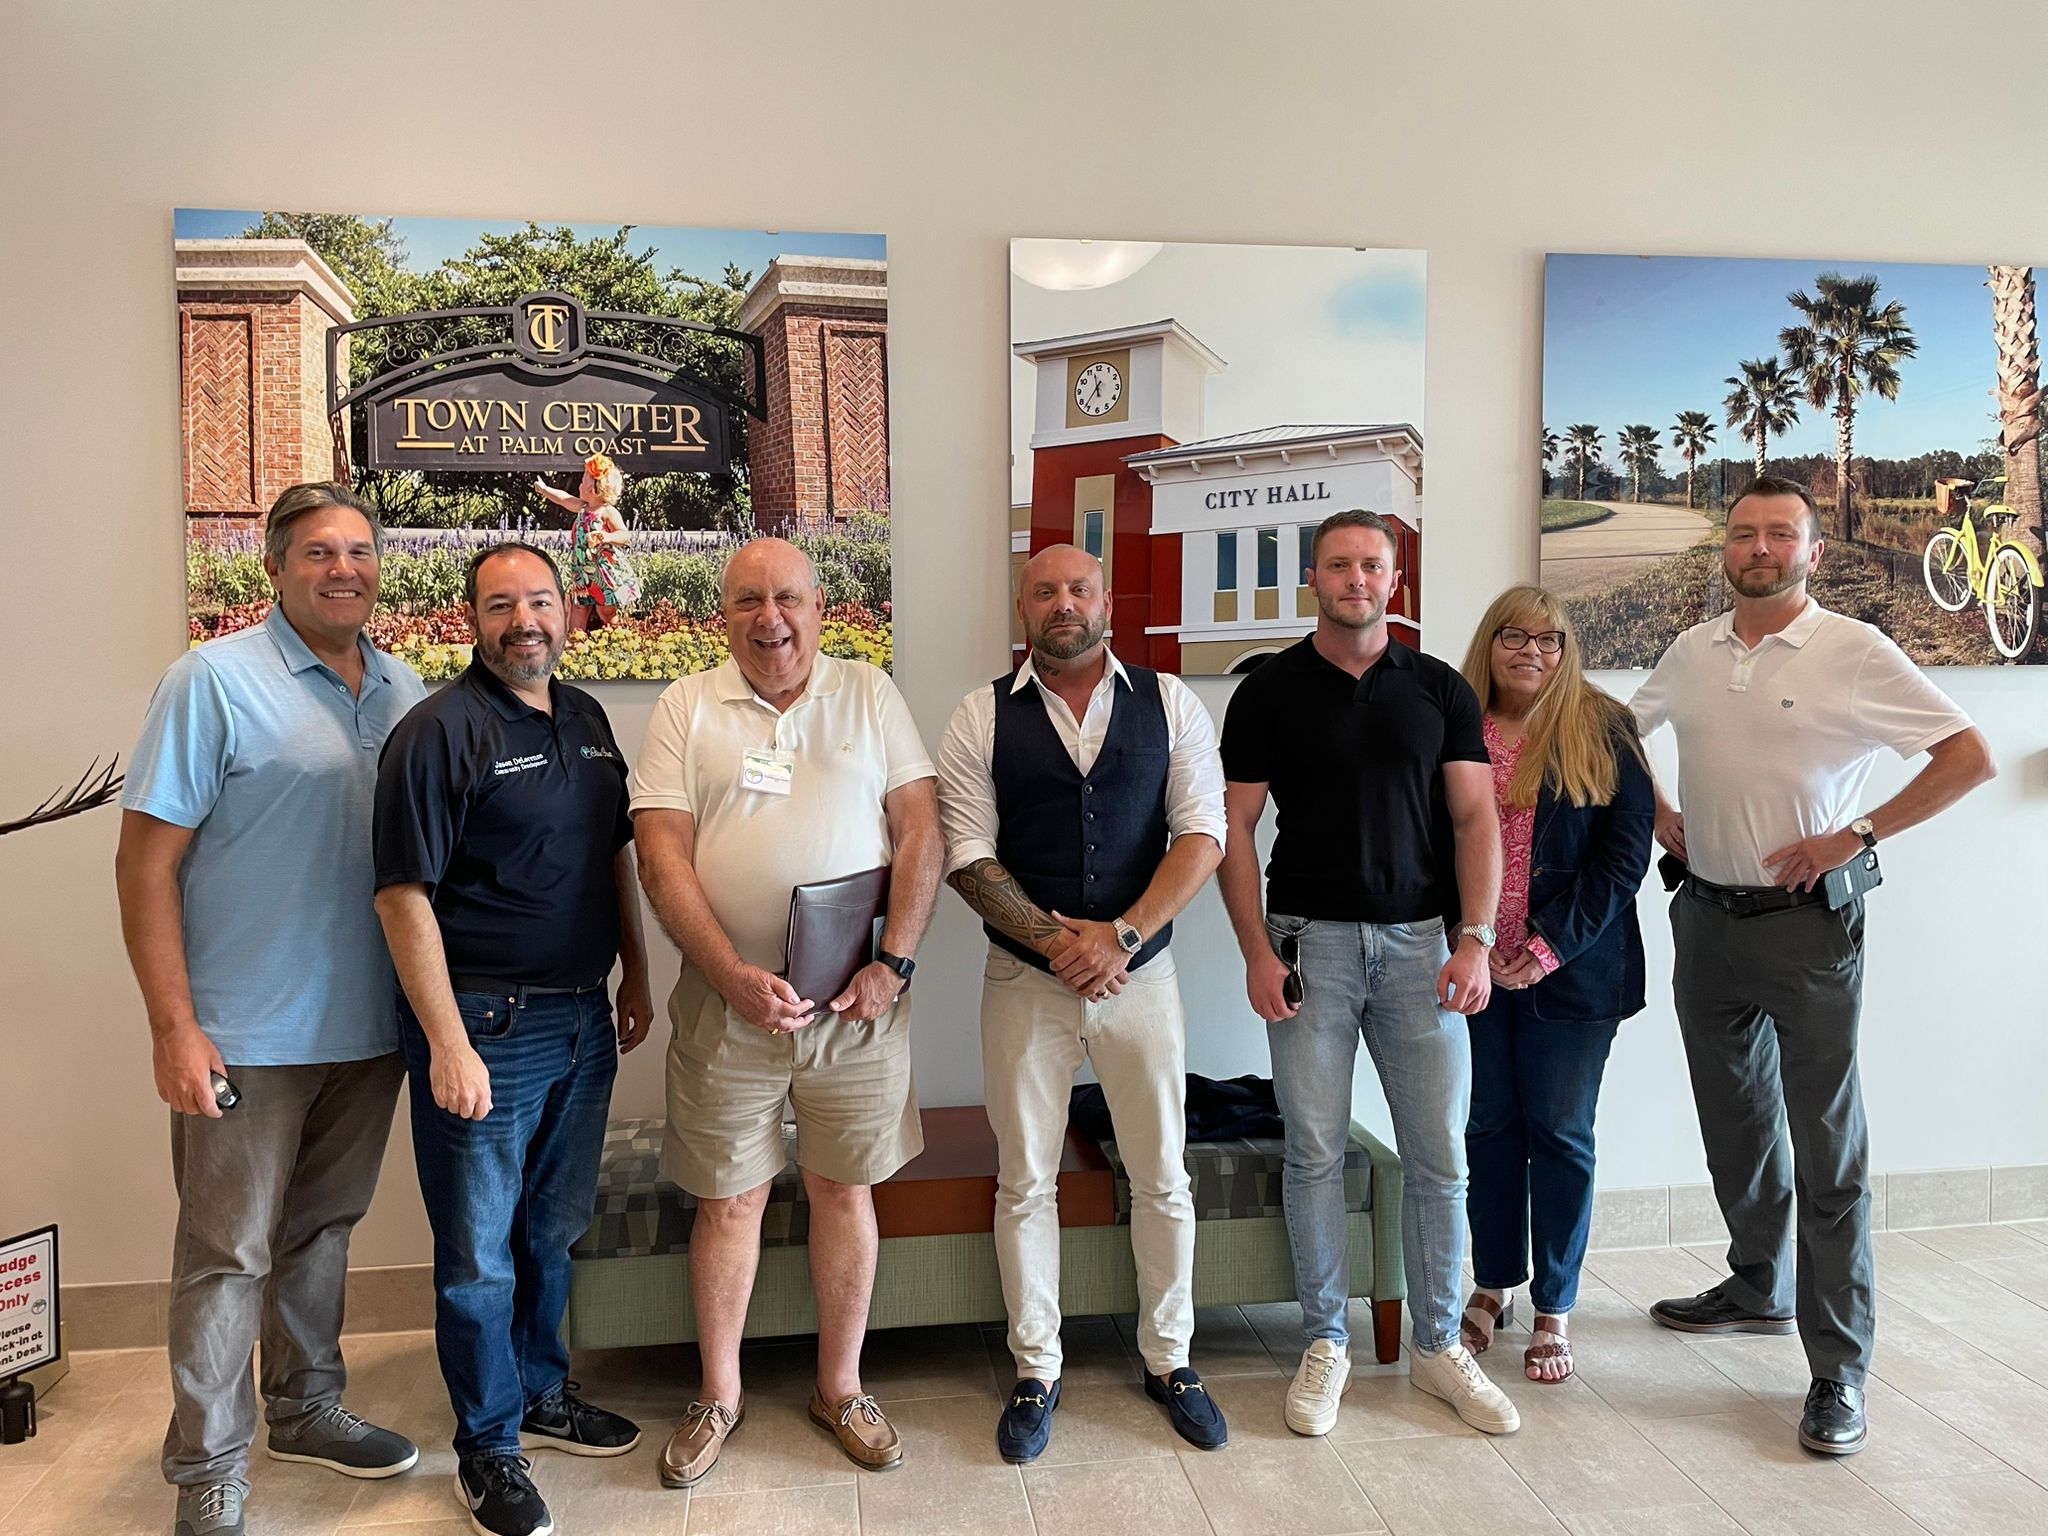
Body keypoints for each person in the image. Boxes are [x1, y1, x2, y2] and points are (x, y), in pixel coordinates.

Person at [1632, 475, 1993, 1457]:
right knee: (1734, 1128)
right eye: (1743, 534)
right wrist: (1658, 811)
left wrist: (1857, 832)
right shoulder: (1692, 652)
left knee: (1826, 1151)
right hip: (1702, 918)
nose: (1758, 548)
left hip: (1805, 930)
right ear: (1725, 550)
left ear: (1811, 552)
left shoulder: (1852, 650)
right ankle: (1756, 1283)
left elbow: (1966, 755)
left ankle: (1836, 1369)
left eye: (1778, 534)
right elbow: (1625, 729)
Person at [116, 483, 426, 1536]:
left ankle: (305, 1406)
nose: (344, 569)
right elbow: (145, 865)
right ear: (276, 569)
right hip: (244, 1027)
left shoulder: (403, 688)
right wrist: (174, 1025)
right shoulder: (212, 681)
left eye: (360, 551)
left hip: (371, 1025)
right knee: (226, 1254)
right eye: (318, 554)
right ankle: (207, 1468)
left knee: (323, 1231)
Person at [630, 537, 943, 1490]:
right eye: (749, 602)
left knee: (847, 1191)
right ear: (724, 615)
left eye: (789, 600)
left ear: (820, 606)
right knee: (729, 1200)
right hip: (730, 1008)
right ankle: (718, 1395)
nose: (772, 619)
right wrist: (727, 972)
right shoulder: (687, 705)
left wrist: (894, 962)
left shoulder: (870, 693)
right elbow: (661, 856)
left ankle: (839, 1387)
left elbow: (922, 829)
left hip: (857, 1004)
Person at [1218, 508, 1520, 1439]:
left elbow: (1478, 823)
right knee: (1312, 1152)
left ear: (1396, 581)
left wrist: (1474, 939)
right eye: (1340, 564)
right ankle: (1325, 1342)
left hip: (1422, 947)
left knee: (1440, 1157)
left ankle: (1437, 1346)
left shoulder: (1438, 689)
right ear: (1314, 577)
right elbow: (1230, 830)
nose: (1357, 578)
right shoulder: (1267, 690)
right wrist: (1256, 953)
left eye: (1373, 566)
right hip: (1308, 947)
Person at [373, 541, 652, 1536]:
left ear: (564, 613)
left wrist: (637, 972)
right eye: (501, 605)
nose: (523, 620)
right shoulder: (436, 734)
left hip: (582, 1016)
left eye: (538, 601)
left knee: (549, 1230)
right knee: (478, 1254)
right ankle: (488, 1447)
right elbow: (401, 898)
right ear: (470, 621)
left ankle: (541, 1392)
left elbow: (609, 862)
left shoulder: (586, 719)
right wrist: (447, 1042)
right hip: (483, 1025)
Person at [937, 544, 1230, 1463]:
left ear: (1106, 599)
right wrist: (1063, 945)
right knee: (1024, 1179)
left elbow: (1204, 835)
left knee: (1163, 1174)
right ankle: (1036, 1368)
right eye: (1045, 590)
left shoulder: (1172, 702)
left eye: (1080, 587)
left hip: (1145, 983)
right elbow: (966, 856)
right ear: (1021, 606)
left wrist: (1122, 938)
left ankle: (1171, 1359)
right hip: (1025, 984)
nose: (1063, 602)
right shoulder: (978, 715)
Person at [1453, 585, 1654, 1385]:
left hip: (1570, 976)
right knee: (1490, 1131)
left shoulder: (1604, 726)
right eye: (1514, 636)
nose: (1531, 651)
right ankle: (1493, 1283)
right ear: (1489, 643)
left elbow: (1624, 855)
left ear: (1566, 651)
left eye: (1550, 639)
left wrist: (1545, 948)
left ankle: (1554, 1305)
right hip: (1472, 970)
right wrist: (1463, 943)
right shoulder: (1455, 723)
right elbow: (1437, 842)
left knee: (1561, 1137)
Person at [534, 453, 639, 632]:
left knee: (606, 610)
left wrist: (607, 537)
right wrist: (544, 489)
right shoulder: (582, 507)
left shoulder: (607, 511)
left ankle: (618, 640)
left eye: (582, 482)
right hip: (582, 570)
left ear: (594, 488)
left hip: (603, 571)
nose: (579, 486)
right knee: (580, 606)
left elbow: (624, 535)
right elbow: (563, 498)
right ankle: (575, 643)